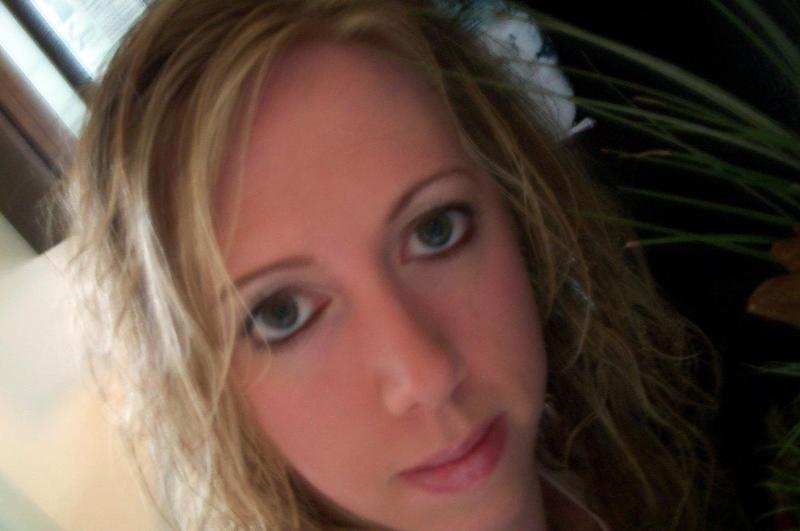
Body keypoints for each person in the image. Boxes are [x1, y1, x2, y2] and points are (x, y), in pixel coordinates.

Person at [59, 0, 718, 529]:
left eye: (435, 231)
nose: (427, 375)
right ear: (202, 388)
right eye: (283, 313)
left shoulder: (617, 467)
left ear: (519, 209)